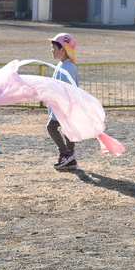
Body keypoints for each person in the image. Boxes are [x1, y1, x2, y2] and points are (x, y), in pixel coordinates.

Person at [47, 33, 79, 170]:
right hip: (63, 106)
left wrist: (65, 108)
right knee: (67, 129)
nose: (51, 50)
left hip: (64, 106)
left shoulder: (67, 67)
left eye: (54, 47)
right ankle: (70, 158)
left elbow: (68, 90)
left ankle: (65, 153)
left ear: (63, 49)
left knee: (52, 127)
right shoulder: (63, 65)